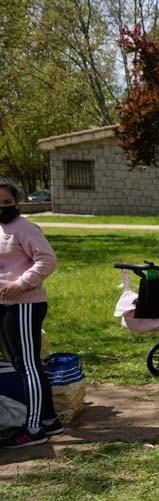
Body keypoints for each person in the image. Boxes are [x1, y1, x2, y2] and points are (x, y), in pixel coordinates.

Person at [0, 180, 61, 448]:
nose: (2, 207)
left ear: (17, 203)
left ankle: (35, 429)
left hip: (25, 304)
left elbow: (47, 259)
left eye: (6, 202)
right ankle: (50, 420)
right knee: (20, 363)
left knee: (28, 365)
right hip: (6, 306)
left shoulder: (24, 228)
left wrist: (20, 284)